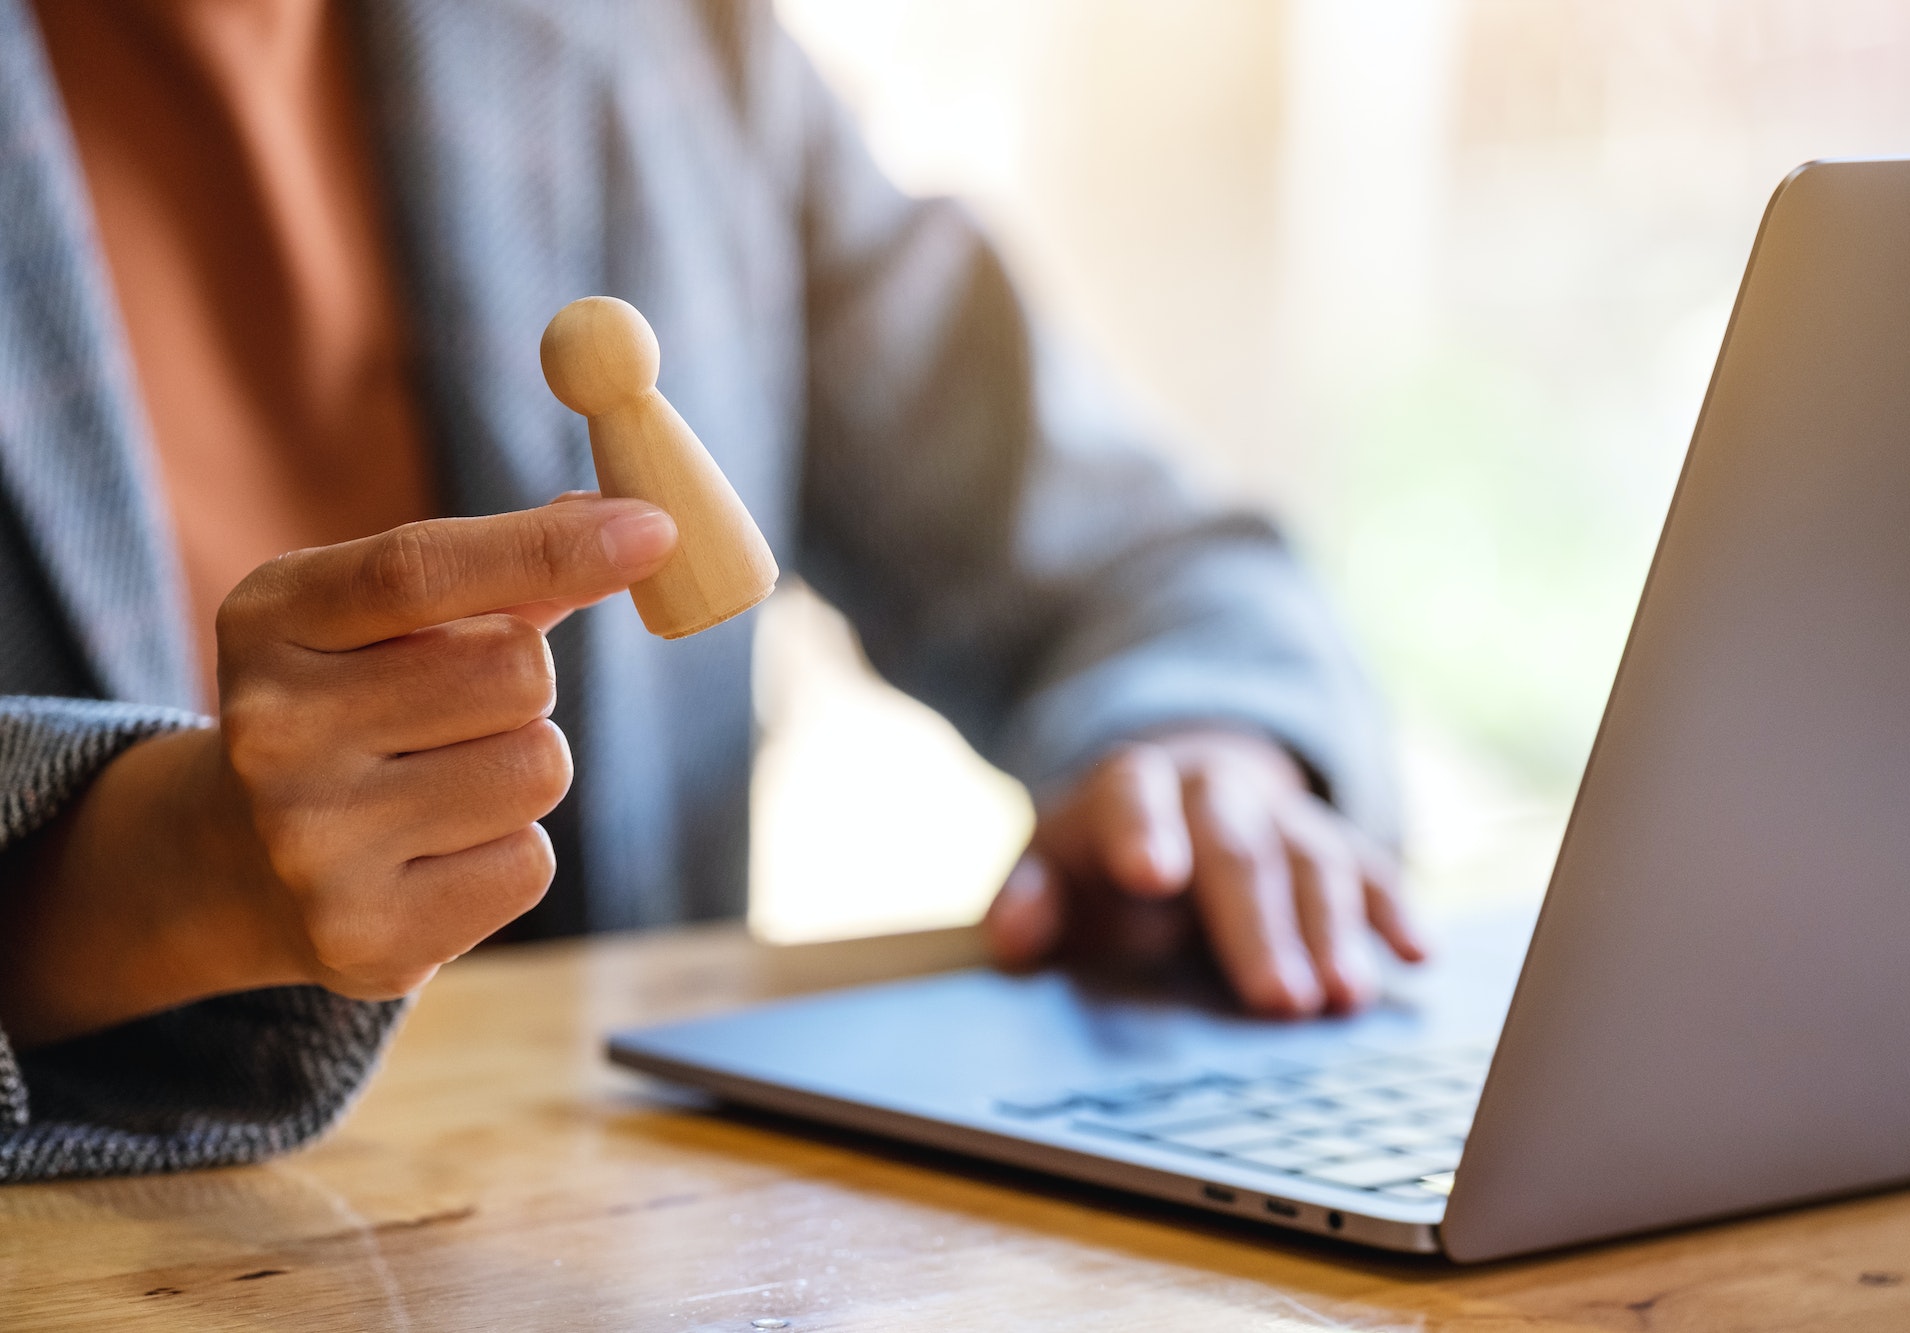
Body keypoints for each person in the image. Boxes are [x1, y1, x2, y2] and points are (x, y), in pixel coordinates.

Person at [0, 0, 1419, 1183]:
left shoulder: (674, 43)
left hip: (624, 1243)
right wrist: (145, 874)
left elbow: (1135, 555)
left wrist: (1207, 753)